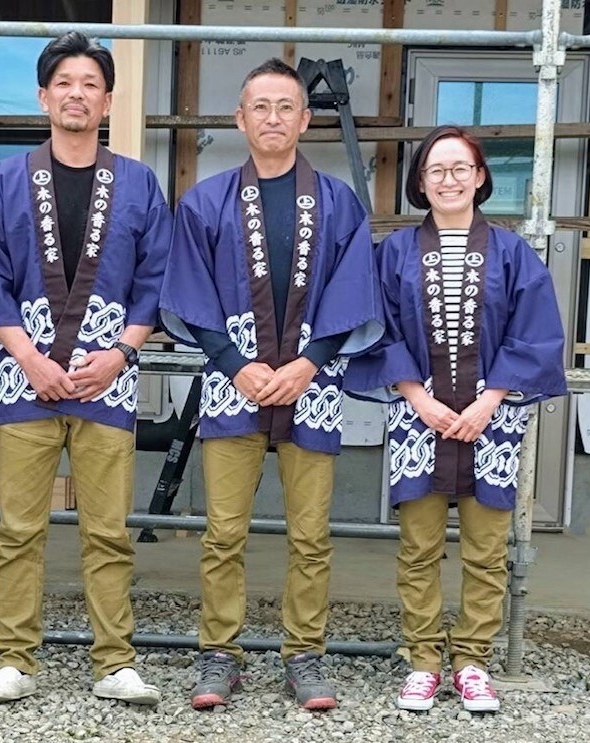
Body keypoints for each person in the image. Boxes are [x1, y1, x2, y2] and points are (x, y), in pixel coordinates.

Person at [159, 58, 383, 711]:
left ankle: (304, 654)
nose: (273, 118)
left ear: (305, 119)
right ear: (240, 118)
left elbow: (353, 291)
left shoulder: (338, 203)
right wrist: (236, 363)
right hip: (236, 383)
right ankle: (218, 654)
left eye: (286, 107)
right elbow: (190, 292)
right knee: (223, 531)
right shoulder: (206, 201)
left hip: (311, 384)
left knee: (310, 534)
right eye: (260, 106)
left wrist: (309, 362)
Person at [0, 32, 171, 706]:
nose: (77, 94)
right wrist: (27, 356)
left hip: (109, 379)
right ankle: (14, 658)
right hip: (26, 381)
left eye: (90, 84)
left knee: (108, 529)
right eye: (65, 83)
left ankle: (115, 661)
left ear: (107, 101)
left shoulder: (137, 183)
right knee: (19, 528)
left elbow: (156, 277)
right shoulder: (8, 180)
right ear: (43, 96)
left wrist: (121, 352)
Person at [345, 125, 567, 713]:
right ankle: (422, 660)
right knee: (418, 548)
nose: (449, 179)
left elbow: (534, 333)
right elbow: (378, 329)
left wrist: (489, 402)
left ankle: (471, 662)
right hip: (417, 418)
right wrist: (418, 398)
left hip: (492, 421)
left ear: (480, 176)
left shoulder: (513, 253)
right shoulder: (393, 253)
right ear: (420, 182)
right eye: (436, 170)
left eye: (460, 168)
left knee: (486, 550)